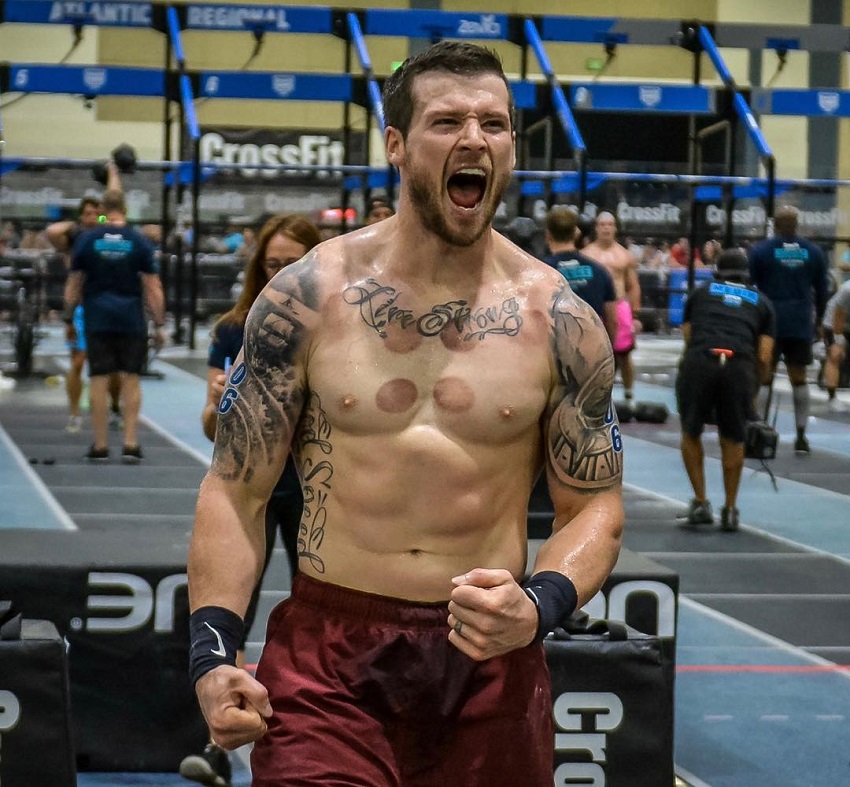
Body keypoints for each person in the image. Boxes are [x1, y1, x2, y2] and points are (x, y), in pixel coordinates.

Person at [187, 40, 624, 787]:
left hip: (488, 665)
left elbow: (596, 504)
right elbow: (237, 489)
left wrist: (540, 603)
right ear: (395, 144)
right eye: (448, 120)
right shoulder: (306, 297)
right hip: (332, 659)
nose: (474, 140)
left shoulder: (558, 316)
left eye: (494, 124)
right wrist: (211, 653)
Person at [179, 214, 319, 787]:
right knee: (231, 614)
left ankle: (312, 734)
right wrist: (218, 402)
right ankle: (218, 744)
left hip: (319, 494)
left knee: (319, 615)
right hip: (256, 494)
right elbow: (215, 430)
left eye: (292, 263)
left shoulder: (340, 328)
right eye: (271, 263)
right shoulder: (234, 329)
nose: (280, 273)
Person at [63, 190, 166, 462]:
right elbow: (153, 286)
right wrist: (159, 324)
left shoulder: (87, 239)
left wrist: (68, 318)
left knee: (98, 378)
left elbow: (74, 283)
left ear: (102, 210)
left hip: (97, 316)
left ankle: (100, 445)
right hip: (131, 317)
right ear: (125, 210)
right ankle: (131, 443)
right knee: (131, 377)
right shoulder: (138, 241)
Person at [676, 249, 776, 530]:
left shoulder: (700, 292)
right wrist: (754, 387)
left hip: (701, 359)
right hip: (739, 365)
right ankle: (730, 509)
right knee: (733, 437)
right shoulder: (763, 303)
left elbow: (688, 336)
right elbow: (765, 355)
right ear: (747, 276)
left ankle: (700, 501)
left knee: (691, 430)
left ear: (717, 271)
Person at [748, 206, 830, 454]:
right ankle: (802, 436)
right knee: (799, 378)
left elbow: (750, 287)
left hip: (769, 323)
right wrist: (817, 323)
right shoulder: (813, 252)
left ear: (775, 224)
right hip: (799, 322)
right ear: (797, 224)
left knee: (764, 375)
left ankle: (759, 430)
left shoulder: (761, 251)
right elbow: (822, 292)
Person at [47, 172, 124, 433]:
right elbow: (52, 231)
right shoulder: (77, 238)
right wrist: (79, 225)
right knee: (78, 361)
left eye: (96, 213)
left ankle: (114, 407)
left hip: (106, 304)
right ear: (81, 216)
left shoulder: (108, 234)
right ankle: (73, 414)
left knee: (112, 367)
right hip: (81, 307)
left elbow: (115, 205)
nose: (92, 218)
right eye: (87, 214)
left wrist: (113, 173)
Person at [583, 211, 642, 400]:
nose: (606, 228)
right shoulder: (586, 255)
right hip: (594, 307)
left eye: (610, 224)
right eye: (602, 224)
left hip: (619, 306)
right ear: (596, 228)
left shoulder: (625, 256)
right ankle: (591, 395)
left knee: (624, 354)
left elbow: (633, 286)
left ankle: (629, 395)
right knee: (591, 354)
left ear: (615, 228)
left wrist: (636, 316)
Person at [542, 205, 618, 348]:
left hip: (554, 351)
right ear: (576, 233)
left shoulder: (540, 272)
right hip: (590, 350)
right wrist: (608, 353)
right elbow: (612, 320)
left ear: (548, 235)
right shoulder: (599, 271)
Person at [821, 279, 850, 412]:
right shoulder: (848, 289)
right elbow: (839, 314)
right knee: (835, 356)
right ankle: (832, 398)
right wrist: (838, 341)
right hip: (834, 323)